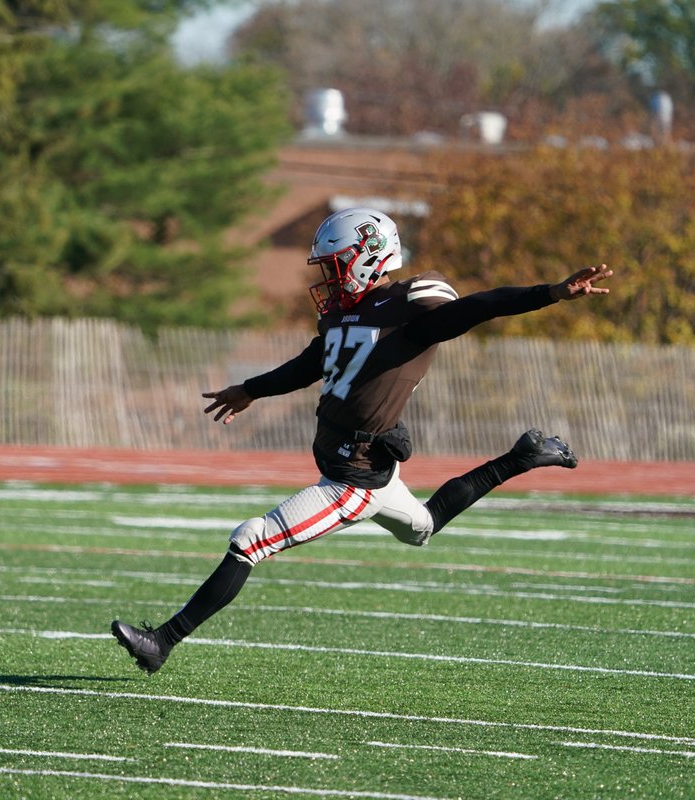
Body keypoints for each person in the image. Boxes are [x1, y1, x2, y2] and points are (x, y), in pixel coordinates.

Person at [111, 207, 613, 674]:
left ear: (369, 257)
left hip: (352, 477)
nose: (328, 277)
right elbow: (309, 365)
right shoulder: (341, 315)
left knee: (251, 538)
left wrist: (549, 292)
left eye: (335, 265)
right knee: (423, 527)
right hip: (366, 467)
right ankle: (522, 457)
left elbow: (480, 307)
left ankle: (163, 643)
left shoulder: (410, 306)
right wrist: (251, 389)